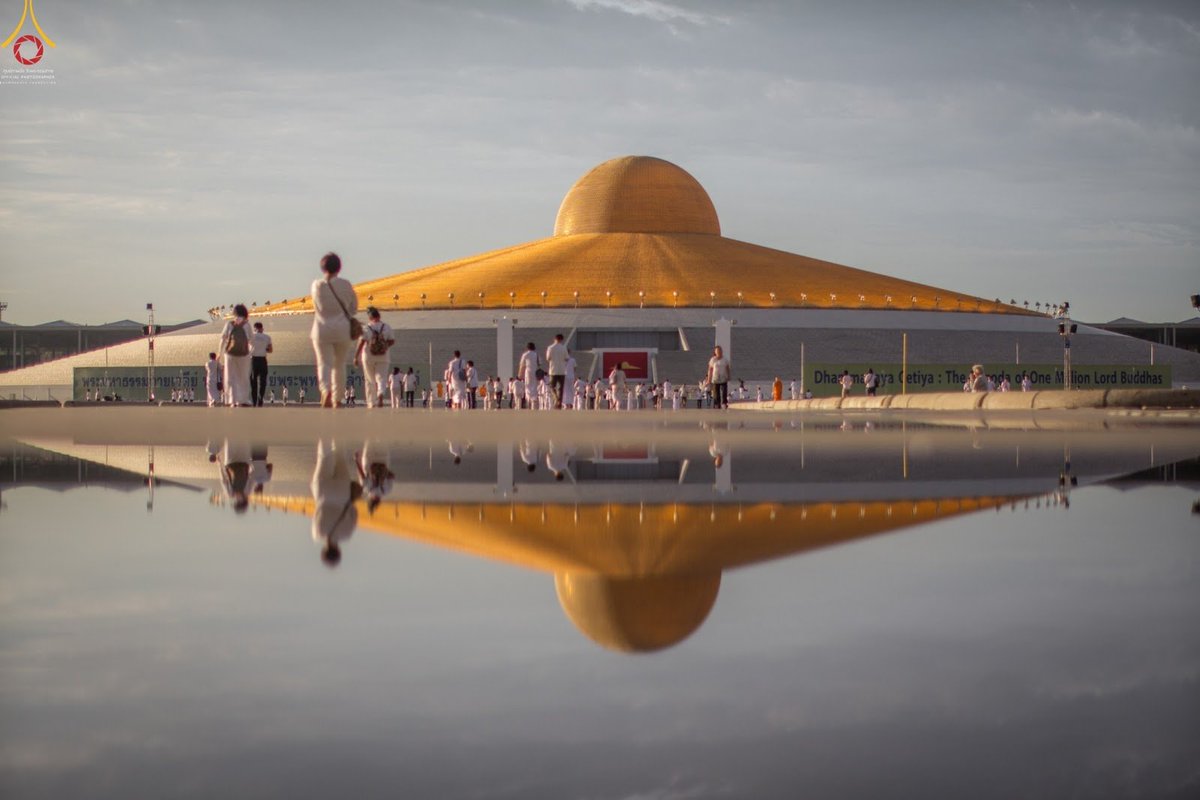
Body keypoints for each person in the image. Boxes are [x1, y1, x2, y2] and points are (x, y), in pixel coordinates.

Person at [310, 251, 358, 408]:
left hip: (321, 328)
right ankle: (337, 398)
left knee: (324, 362)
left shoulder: (316, 285)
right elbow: (354, 308)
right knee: (339, 364)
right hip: (342, 329)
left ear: (322, 267)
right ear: (339, 267)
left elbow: (316, 306)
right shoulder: (346, 285)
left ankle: (326, 390)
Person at [311, 439, 360, 567]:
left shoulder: (346, 535)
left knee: (340, 456)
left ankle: (339, 430)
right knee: (323, 457)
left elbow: (354, 512)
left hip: (342, 494)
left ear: (339, 551)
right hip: (323, 493)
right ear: (324, 551)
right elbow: (316, 513)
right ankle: (326, 431)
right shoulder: (317, 534)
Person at [357, 307, 394, 409]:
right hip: (383, 356)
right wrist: (384, 346)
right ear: (379, 316)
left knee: (369, 380)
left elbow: (361, 342)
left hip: (368, 356)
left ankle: (371, 402)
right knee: (381, 378)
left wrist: (356, 356)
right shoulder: (386, 327)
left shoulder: (366, 328)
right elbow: (392, 341)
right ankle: (380, 393)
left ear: (369, 317)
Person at [220, 304, 253, 407]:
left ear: (234, 313)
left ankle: (231, 400)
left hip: (230, 354)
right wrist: (250, 353)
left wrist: (219, 352)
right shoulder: (247, 325)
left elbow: (223, 339)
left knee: (230, 377)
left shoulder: (229, 324)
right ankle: (242, 400)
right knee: (243, 377)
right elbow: (252, 340)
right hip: (244, 355)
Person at [249, 321, 273, 407]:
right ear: (262, 328)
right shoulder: (267, 337)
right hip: (263, 360)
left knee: (253, 382)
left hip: (253, 360)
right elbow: (270, 350)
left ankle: (254, 401)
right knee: (263, 382)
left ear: (254, 328)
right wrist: (263, 348)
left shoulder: (251, 336)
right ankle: (260, 399)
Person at [543, 334, 568, 409]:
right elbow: (567, 358)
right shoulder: (564, 348)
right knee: (561, 388)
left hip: (553, 370)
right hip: (562, 370)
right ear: (562, 340)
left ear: (555, 339)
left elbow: (548, 358)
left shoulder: (550, 348)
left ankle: (556, 397)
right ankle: (559, 403)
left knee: (552, 386)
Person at [518, 342, 539, 409]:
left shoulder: (525, 354)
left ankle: (529, 400)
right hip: (535, 371)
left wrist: (520, 374)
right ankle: (534, 400)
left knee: (528, 386)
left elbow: (522, 365)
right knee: (534, 386)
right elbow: (539, 363)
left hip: (528, 371)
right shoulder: (536, 354)